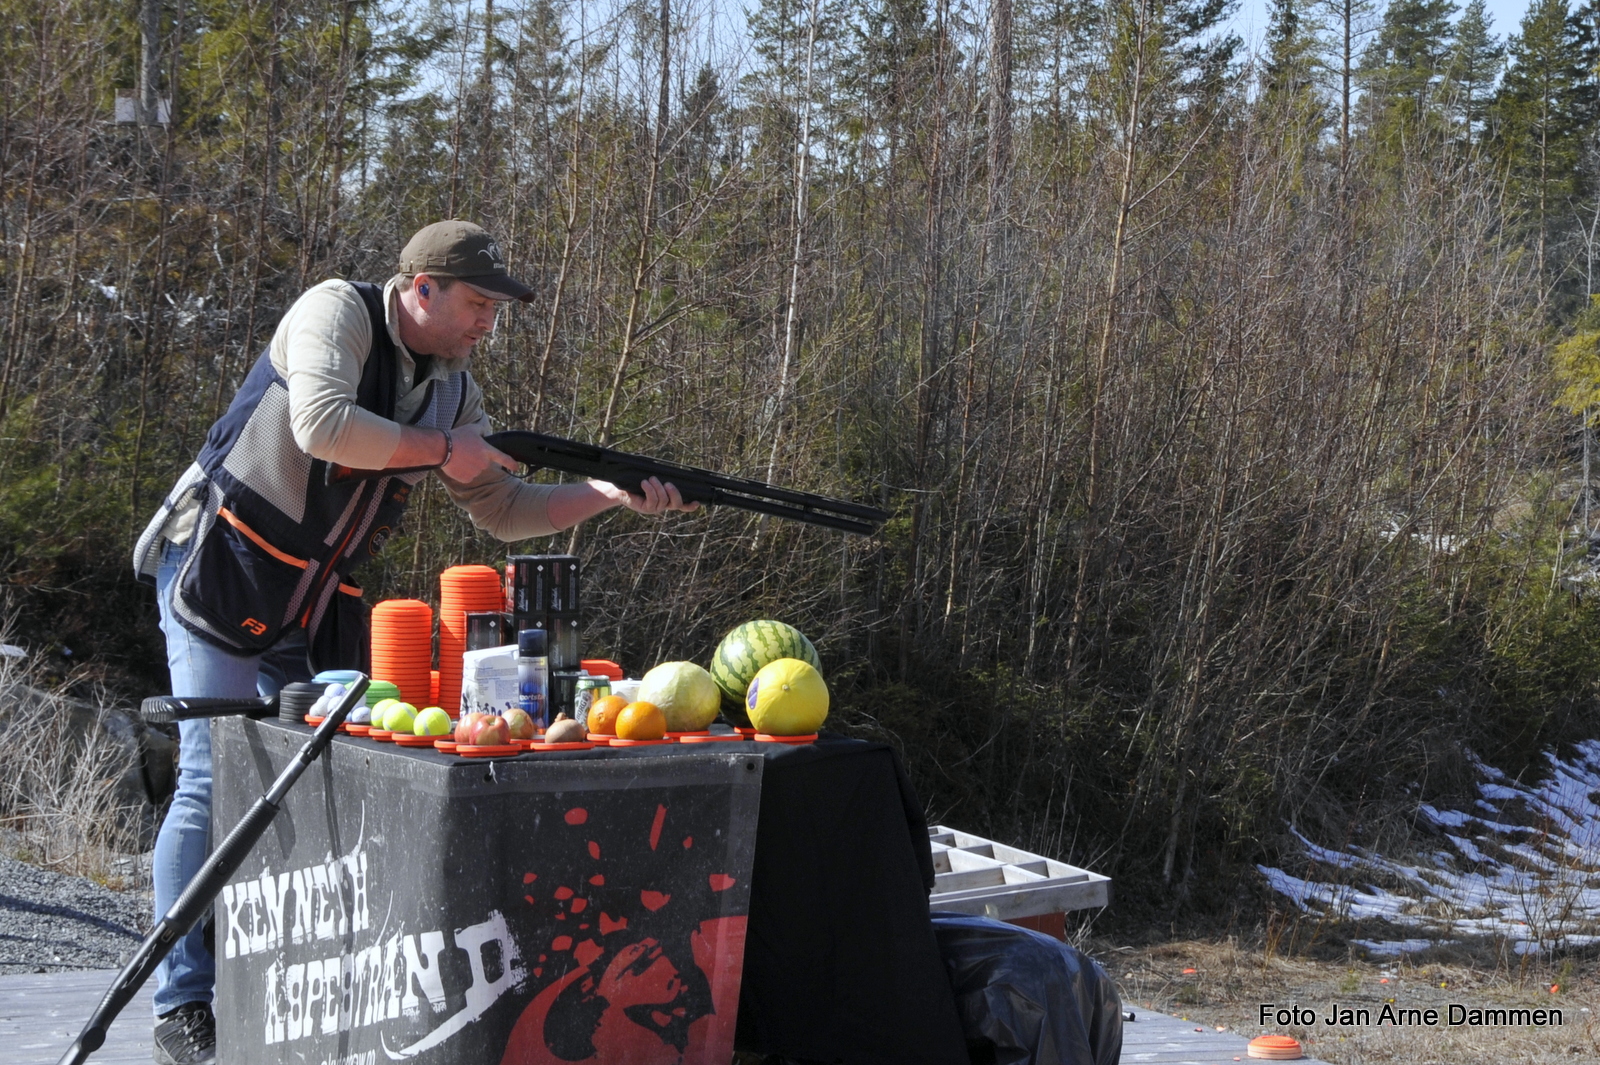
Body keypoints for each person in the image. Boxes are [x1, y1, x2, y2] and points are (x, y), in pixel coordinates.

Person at [131, 220, 696, 1065]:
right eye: (477, 304)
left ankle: (275, 990)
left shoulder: (451, 391)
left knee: (308, 780)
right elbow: (324, 425)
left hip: (304, 602)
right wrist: (443, 451)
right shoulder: (338, 313)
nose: (487, 326)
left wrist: (607, 493)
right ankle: (181, 1003)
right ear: (421, 286)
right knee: (212, 777)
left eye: (494, 312)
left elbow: (507, 511)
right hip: (221, 566)